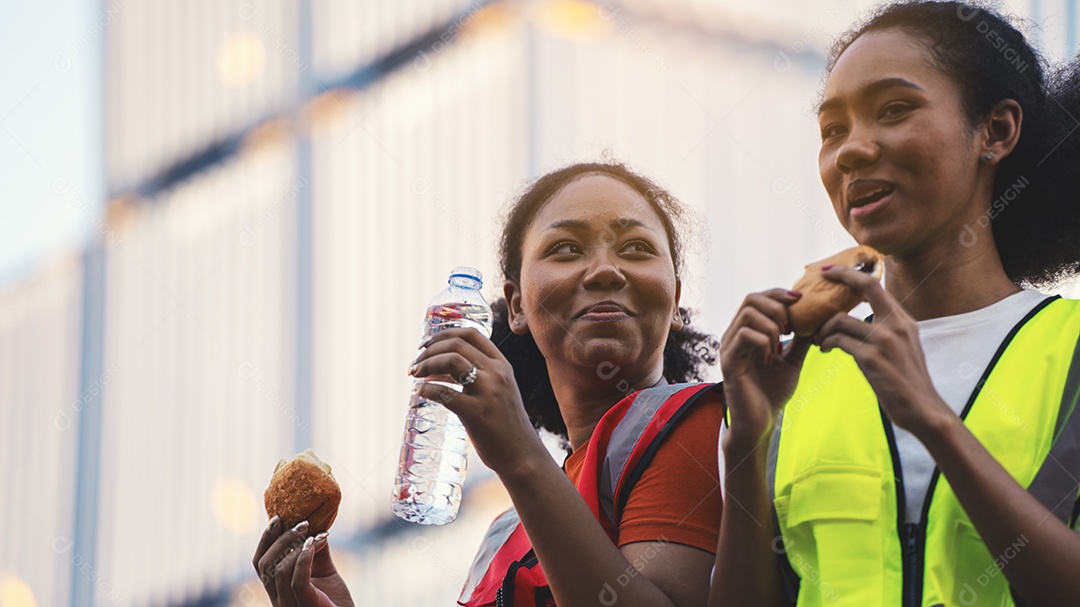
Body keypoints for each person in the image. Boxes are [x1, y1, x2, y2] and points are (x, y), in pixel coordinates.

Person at [711, 2, 1080, 606]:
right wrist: (745, 445)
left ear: (996, 132)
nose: (850, 151)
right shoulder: (782, 380)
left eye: (894, 110)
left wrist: (934, 421)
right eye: (833, 130)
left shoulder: (1070, 349)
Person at [253, 162, 726, 606]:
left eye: (636, 248)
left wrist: (518, 456)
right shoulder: (506, 536)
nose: (605, 270)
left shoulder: (692, 424)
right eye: (566, 248)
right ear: (517, 306)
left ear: (676, 301)